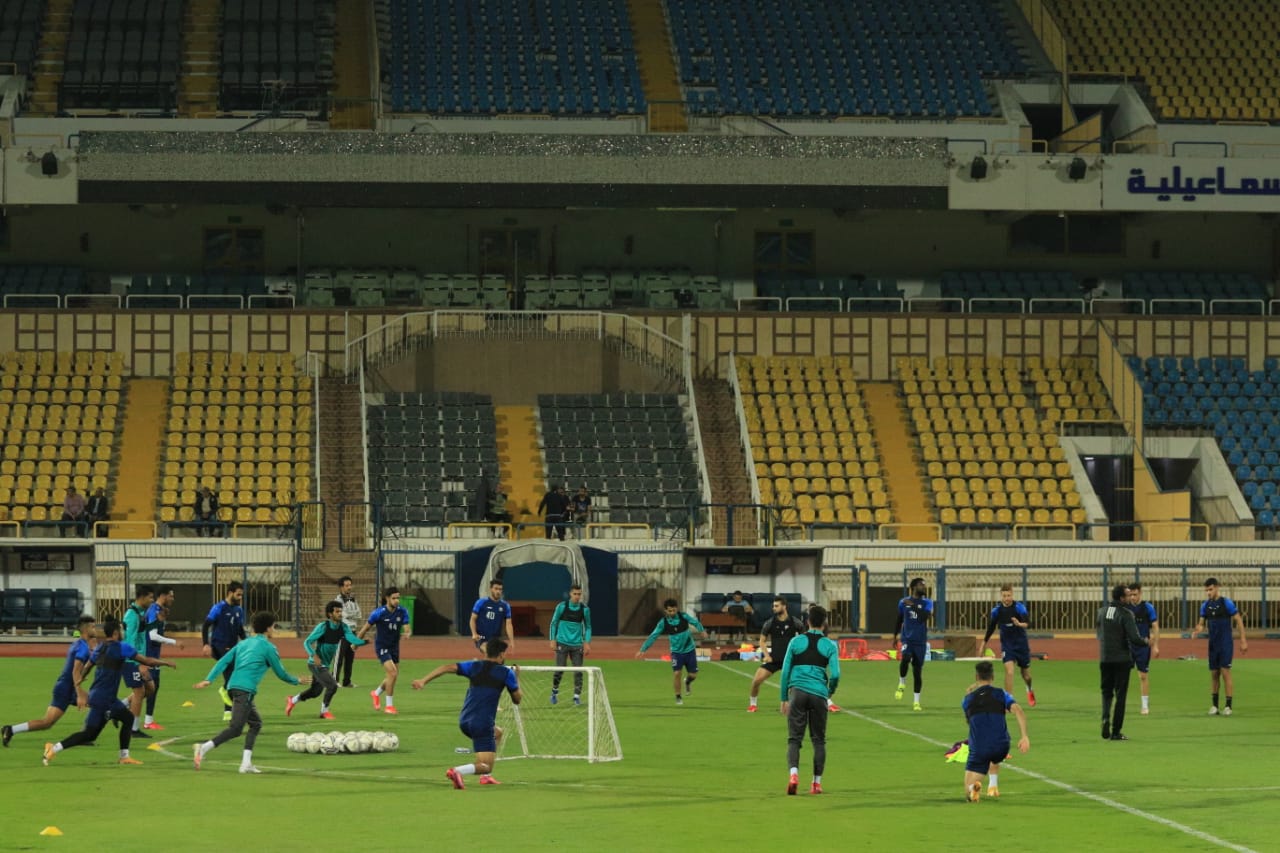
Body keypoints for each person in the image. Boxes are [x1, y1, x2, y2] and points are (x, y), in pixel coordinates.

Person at [42, 616, 176, 767]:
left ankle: (123, 756)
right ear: (116, 633)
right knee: (96, 731)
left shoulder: (100, 647)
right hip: (105, 699)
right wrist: (165, 662)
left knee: (103, 729)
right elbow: (146, 661)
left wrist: (81, 679)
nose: (123, 633)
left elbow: (88, 666)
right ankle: (55, 748)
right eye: (121, 630)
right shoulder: (122, 647)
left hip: (98, 696)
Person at [193, 610, 309, 774]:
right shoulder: (269, 648)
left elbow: (224, 661)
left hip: (233, 687)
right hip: (244, 690)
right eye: (273, 627)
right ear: (268, 628)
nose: (274, 630)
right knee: (236, 729)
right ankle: (203, 748)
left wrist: (209, 679)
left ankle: (246, 763)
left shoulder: (243, 644)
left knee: (256, 724)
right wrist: (297, 681)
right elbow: (281, 674)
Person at [412, 637, 522, 789]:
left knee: (497, 733)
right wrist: (516, 678)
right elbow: (517, 699)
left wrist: (423, 680)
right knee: (485, 766)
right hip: (482, 723)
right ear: (501, 654)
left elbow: (446, 667)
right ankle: (457, 771)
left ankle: (485, 778)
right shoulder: (506, 673)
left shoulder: (474, 666)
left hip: (464, 721)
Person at [2, 614, 96, 748]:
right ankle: (11, 729)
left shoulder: (78, 644)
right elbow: (75, 671)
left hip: (67, 686)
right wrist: (80, 694)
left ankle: (84, 736)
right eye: (93, 627)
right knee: (47, 723)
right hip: (66, 689)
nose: (95, 629)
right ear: (86, 629)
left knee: (97, 703)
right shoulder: (82, 648)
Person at [779, 605, 840, 795]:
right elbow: (836, 674)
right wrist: (829, 691)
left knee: (794, 739)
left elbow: (785, 671)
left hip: (797, 692)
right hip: (819, 694)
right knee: (819, 740)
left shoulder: (796, 641)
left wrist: (783, 698)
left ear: (807, 622)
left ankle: (794, 775)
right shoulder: (830, 645)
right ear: (825, 623)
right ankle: (816, 784)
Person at [961, 660, 1030, 802]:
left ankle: (972, 788)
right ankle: (992, 786)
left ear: (976, 677)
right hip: (1002, 746)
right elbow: (1018, 710)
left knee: (967, 791)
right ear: (992, 677)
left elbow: (969, 722)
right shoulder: (1001, 694)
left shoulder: (968, 700)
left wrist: (968, 694)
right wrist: (1024, 736)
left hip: (980, 748)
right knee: (994, 749)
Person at [287, 600, 369, 720]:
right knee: (332, 685)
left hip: (324, 664)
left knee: (315, 692)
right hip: (315, 663)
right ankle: (324, 711)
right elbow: (307, 642)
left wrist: (364, 642)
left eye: (341, 611)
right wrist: (313, 655)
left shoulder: (343, 627)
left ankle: (292, 700)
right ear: (330, 614)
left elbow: (352, 639)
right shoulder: (323, 627)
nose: (340, 614)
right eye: (337, 612)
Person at [1098, 584, 1147, 741]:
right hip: (1121, 660)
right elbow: (1134, 638)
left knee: (1106, 692)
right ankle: (1116, 732)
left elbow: (1099, 634)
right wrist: (1146, 641)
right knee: (1120, 696)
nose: (1130, 597)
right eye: (1128, 595)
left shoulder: (1102, 612)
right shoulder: (1126, 614)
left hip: (1105, 658)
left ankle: (1105, 718)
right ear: (1121, 598)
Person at [636, 598, 707, 705]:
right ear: (666, 611)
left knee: (693, 675)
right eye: (670, 611)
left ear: (677, 609)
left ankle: (687, 681)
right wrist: (643, 649)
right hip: (676, 652)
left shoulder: (683, 616)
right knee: (677, 673)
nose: (672, 613)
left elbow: (695, 622)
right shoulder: (663, 623)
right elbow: (653, 636)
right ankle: (678, 696)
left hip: (689, 650)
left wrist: (702, 630)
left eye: (674, 610)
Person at [1194, 577, 1248, 716]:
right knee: (1214, 674)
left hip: (1225, 643)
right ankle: (1214, 706)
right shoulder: (1205, 606)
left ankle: (1228, 706)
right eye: (1206, 590)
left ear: (1217, 587)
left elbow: (1238, 620)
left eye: (1210, 589)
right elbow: (1201, 623)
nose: (1208, 592)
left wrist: (1243, 640)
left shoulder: (1226, 603)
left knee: (1225, 672)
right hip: (1213, 644)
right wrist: (1198, 629)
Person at [977, 584, 1036, 707]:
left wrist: (1019, 624)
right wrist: (983, 644)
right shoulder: (996, 611)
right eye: (1004, 596)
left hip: (1021, 645)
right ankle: (1008, 701)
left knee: (1026, 676)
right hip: (1007, 645)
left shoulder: (1019, 608)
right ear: (1001, 596)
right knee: (1009, 671)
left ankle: (1029, 689)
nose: (1006, 598)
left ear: (1012, 595)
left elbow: (1028, 623)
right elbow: (991, 628)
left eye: (1009, 595)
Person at [358, 586, 412, 715]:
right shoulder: (378, 613)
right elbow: (365, 628)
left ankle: (376, 693)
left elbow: (407, 627)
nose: (397, 600)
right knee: (392, 673)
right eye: (394, 598)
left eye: (398, 598)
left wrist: (407, 633)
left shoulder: (402, 611)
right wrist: (356, 643)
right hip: (382, 646)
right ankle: (389, 706)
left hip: (394, 647)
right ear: (387, 598)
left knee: (393, 675)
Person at [747, 595, 802, 712]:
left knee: (796, 685)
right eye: (773, 606)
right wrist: (767, 656)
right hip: (774, 660)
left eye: (776, 606)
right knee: (756, 681)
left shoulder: (795, 622)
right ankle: (753, 705)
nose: (773, 608)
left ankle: (793, 705)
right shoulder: (770, 623)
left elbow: (804, 639)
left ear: (784, 606)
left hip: (790, 660)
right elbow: (762, 641)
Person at [202, 582, 246, 721]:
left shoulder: (239, 610)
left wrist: (247, 643)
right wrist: (205, 644)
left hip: (233, 647)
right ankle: (228, 709)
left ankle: (228, 711)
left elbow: (240, 630)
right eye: (238, 594)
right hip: (219, 646)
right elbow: (206, 625)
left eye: (241, 595)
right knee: (231, 676)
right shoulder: (219, 607)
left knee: (232, 676)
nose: (240, 597)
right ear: (230, 593)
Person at [143, 588, 184, 730]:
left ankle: (147, 720)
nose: (173, 599)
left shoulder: (159, 610)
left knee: (149, 688)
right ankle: (147, 721)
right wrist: (174, 642)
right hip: (148, 655)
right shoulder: (154, 610)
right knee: (149, 687)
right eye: (171, 596)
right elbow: (152, 636)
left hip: (153, 654)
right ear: (163, 596)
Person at [121, 585, 157, 740]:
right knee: (139, 691)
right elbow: (130, 641)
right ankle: (133, 729)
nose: (152, 600)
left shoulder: (141, 613)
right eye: (150, 597)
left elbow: (141, 638)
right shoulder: (131, 615)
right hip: (130, 660)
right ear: (142, 597)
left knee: (150, 688)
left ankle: (119, 707)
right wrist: (139, 663)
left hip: (138, 659)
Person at [893, 577, 934, 711]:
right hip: (907, 638)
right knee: (905, 658)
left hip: (920, 641)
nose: (924, 587)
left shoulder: (928, 602)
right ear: (914, 587)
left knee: (917, 672)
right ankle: (902, 683)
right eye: (921, 585)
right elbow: (899, 619)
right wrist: (895, 635)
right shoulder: (903, 602)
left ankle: (916, 702)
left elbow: (924, 617)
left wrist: (913, 605)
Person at [548, 584, 591, 705]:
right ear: (570, 594)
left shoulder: (585, 610)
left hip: (577, 645)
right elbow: (554, 623)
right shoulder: (561, 607)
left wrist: (587, 642)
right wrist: (552, 639)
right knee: (560, 669)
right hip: (562, 642)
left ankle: (576, 696)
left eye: (579, 594)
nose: (577, 596)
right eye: (575, 594)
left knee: (578, 671)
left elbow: (588, 627)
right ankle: (554, 692)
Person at [1127, 583, 1160, 715]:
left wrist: (1155, 646)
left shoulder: (1148, 607)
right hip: (1128, 646)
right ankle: (1120, 703)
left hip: (1143, 647)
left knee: (1143, 676)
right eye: (1131, 595)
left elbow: (1155, 626)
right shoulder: (1126, 608)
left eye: (1135, 594)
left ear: (1140, 593)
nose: (1132, 597)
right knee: (1123, 675)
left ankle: (1145, 705)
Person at [470, 578, 515, 654]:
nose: (498, 591)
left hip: (496, 638)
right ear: (491, 589)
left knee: (499, 657)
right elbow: (473, 619)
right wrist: (474, 633)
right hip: (482, 637)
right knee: (489, 652)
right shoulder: (481, 602)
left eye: (500, 589)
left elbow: (508, 624)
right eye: (496, 589)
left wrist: (511, 641)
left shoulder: (505, 606)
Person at [334, 575, 362, 688]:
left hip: (353, 632)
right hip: (343, 632)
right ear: (341, 587)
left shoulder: (353, 599)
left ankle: (347, 681)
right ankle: (334, 680)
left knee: (350, 658)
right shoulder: (337, 601)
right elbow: (343, 615)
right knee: (339, 658)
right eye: (347, 585)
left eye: (350, 585)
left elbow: (359, 614)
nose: (349, 587)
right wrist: (352, 614)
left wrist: (350, 614)